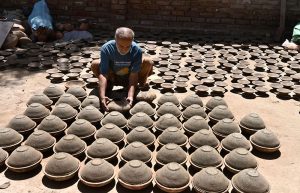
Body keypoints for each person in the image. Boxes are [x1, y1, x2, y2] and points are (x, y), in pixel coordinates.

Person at [91, 27, 153, 111]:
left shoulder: (137, 50)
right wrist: (102, 96)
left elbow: (133, 75)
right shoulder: (106, 48)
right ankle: (108, 86)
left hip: (128, 76)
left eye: (128, 46)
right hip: (113, 75)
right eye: (121, 46)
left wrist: (130, 96)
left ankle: (140, 86)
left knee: (148, 61)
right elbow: (104, 73)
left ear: (132, 41)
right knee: (95, 64)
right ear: (115, 40)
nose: (124, 49)